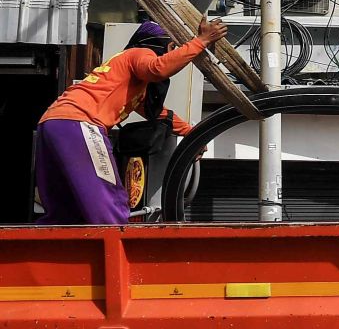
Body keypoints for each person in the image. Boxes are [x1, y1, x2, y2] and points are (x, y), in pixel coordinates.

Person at [33, 19, 225, 225]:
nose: (172, 53)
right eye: (171, 48)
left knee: (64, 209)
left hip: (52, 123)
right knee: (108, 203)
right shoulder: (140, 52)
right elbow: (158, 68)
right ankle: (120, 252)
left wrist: (191, 133)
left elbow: (159, 115)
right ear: (158, 43)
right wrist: (202, 40)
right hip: (80, 123)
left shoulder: (128, 80)